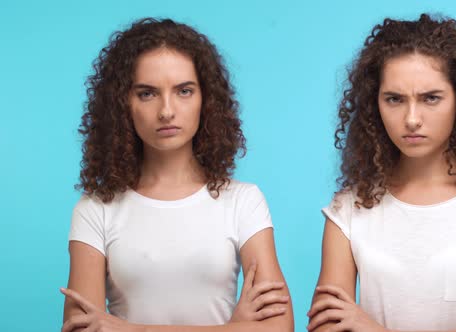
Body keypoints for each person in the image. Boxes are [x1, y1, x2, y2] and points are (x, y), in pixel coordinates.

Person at [308, 14, 456, 332]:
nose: (412, 119)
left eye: (430, 98)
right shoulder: (348, 210)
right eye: (394, 99)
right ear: (373, 105)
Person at [61, 18, 294, 332]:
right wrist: (233, 329)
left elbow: (279, 327)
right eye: (147, 94)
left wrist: (131, 329)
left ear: (205, 99)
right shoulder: (94, 210)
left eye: (184, 91)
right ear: (122, 105)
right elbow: (81, 328)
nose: (166, 111)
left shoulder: (243, 201)